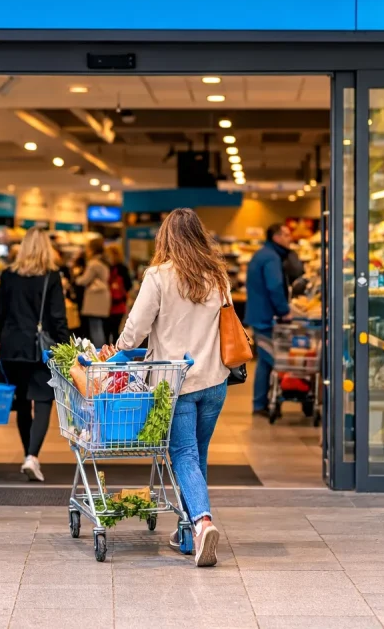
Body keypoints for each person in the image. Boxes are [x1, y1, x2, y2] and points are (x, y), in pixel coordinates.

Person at [115, 208, 230, 567]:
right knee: (196, 456)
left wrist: (120, 349)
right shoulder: (218, 275)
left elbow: (136, 327)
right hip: (214, 380)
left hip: (176, 382)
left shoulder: (159, 276)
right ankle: (187, 535)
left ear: (165, 237)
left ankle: (201, 521)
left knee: (183, 455)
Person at [0, 228, 69, 482]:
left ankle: (28, 455)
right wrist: (67, 346)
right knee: (44, 401)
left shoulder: (8, 276)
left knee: (22, 402)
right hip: (40, 349)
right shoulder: (51, 277)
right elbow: (58, 318)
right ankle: (32, 456)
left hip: (12, 348)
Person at [244, 223, 293, 416]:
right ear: (276, 237)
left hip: (258, 315)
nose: (290, 238)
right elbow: (275, 286)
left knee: (265, 361)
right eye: (286, 234)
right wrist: (284, 311)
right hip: (265, 318)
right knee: (270, 359)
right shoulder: (271, 258)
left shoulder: (262, 254)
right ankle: (263, 403)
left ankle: (260, 403)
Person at [75, 237, 111, 347]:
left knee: (95, 328)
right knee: (100, 327)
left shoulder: (93, 263)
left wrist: (76, 276)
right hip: (103, 297)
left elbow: (83, 280)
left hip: (95, 299)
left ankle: (100, 353)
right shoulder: (105, 261)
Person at [104, 244, 133, 345]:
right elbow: (129, 285)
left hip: (113, 304)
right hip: (119, 303)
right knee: (115, 330)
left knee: (109, 330)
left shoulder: (110, 268)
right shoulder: (123, 268)